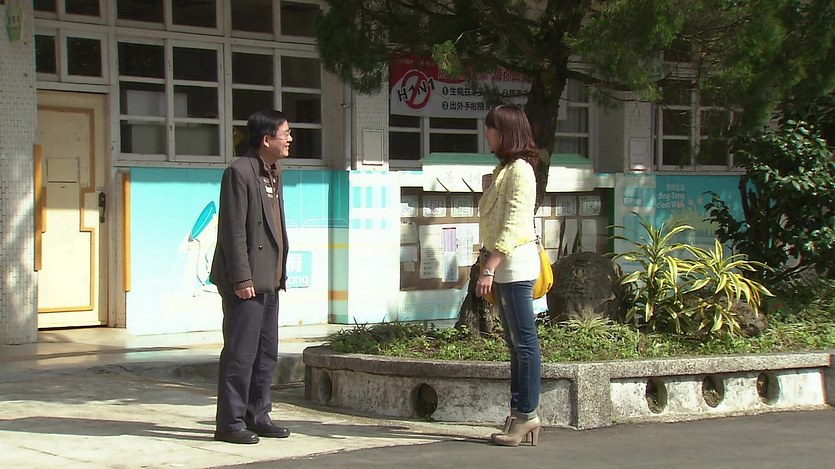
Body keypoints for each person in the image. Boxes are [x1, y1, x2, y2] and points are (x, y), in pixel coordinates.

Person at [209, 109, 292, 445]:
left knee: (266, 353)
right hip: (246, 282)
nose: (290, 139)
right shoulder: (239, 171)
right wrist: (241, 279)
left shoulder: (272, 172)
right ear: (266, 139)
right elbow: (232, 231)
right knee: (240, 354)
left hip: (269, 278)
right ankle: (229, 423)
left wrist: (280, 272)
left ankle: (257, 414)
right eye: (285, 133)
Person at [476, 104, 542, 447]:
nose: (487, 133)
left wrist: (490, 266)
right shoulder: (504, 170)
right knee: (515, 344)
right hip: (505, 267)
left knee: (524, 343)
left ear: (507, 132)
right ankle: (519, 413)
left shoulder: (520, 171)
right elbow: (495, 218)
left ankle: (527, 414)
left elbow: (514, 224)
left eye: (492, 128)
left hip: (515, 266)